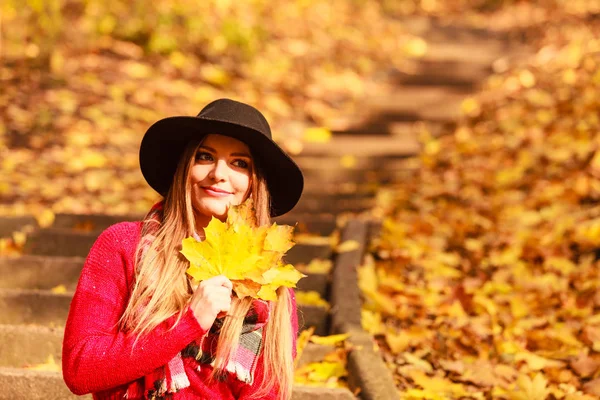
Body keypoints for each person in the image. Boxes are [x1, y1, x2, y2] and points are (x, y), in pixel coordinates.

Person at [62, 98, 305, 400]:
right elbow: (80, 369)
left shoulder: (270, 285)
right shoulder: (123, 245)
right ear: (184, 166)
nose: (219, 173)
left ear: (255, 184)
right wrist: (186, 324)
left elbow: (267, 394)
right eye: (205, 157)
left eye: (240, 163)